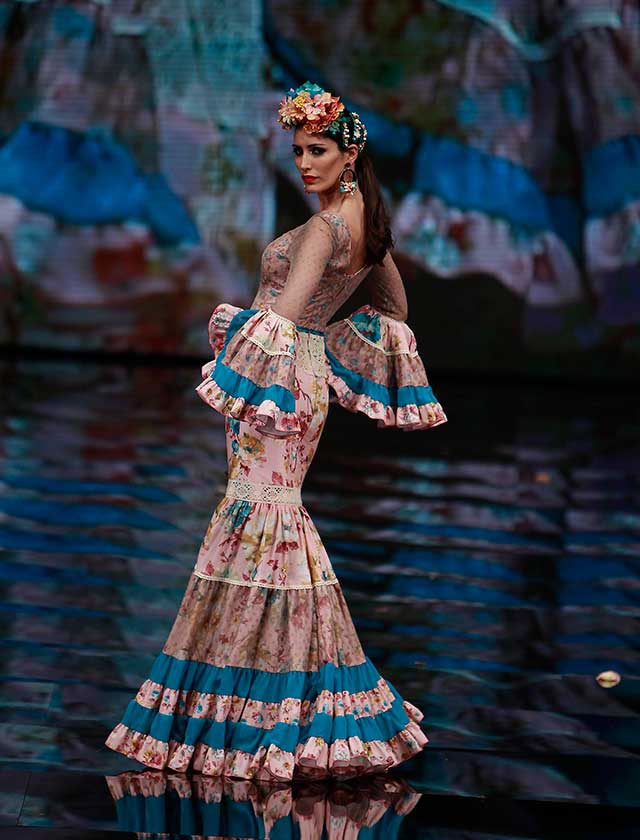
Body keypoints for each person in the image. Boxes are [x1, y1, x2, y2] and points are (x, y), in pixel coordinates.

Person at [105, 80, 447, 781]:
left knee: (260, 523)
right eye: (298, 151)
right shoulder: (364, 225)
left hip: (281, 382)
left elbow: (285, 314)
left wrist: (254, 352)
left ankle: (272, 706)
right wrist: (326, 337)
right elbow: (396, 308)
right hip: (303, 377)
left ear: (349, 155)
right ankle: (271, 690)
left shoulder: (325, 229)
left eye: (317, 149)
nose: (305, 162)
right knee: (267, 526)